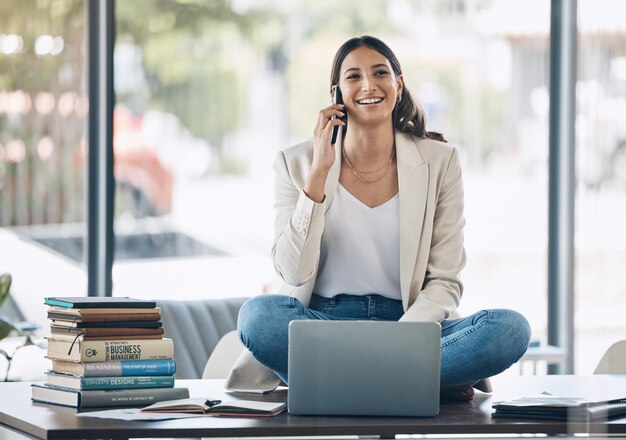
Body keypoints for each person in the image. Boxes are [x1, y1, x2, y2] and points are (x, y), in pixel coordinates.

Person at [225, 35, 531, 399]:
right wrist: (318, 176)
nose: (369, 85)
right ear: (336, 93)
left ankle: (342, 381)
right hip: (324, 324)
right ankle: (408, 381)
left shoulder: (440, 161)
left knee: (510, 329)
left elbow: (445, 281)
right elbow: (292, 271)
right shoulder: (296, 163)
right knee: (258, 317)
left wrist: (401, 340)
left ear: (398, 85)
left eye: (380, 73)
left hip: (412, 324)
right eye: (354, 76)